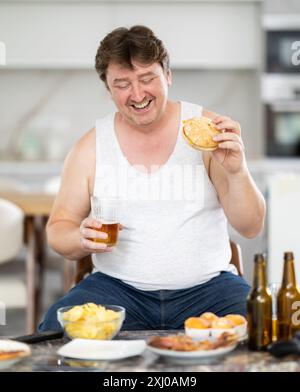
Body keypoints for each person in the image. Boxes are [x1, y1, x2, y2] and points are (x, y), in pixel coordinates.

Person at [39, 25, 265, 331]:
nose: (138, 94)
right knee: (53, 332)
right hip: (116, 290)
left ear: (167, 75)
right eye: (122, 84)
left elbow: (251, 226)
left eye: (147, 79)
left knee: (271, 334)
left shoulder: (209, 131)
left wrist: (237, 173)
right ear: (108, 89)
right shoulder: (90, 147)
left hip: (210, 289)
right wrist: (79, 238)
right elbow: (58, 229)